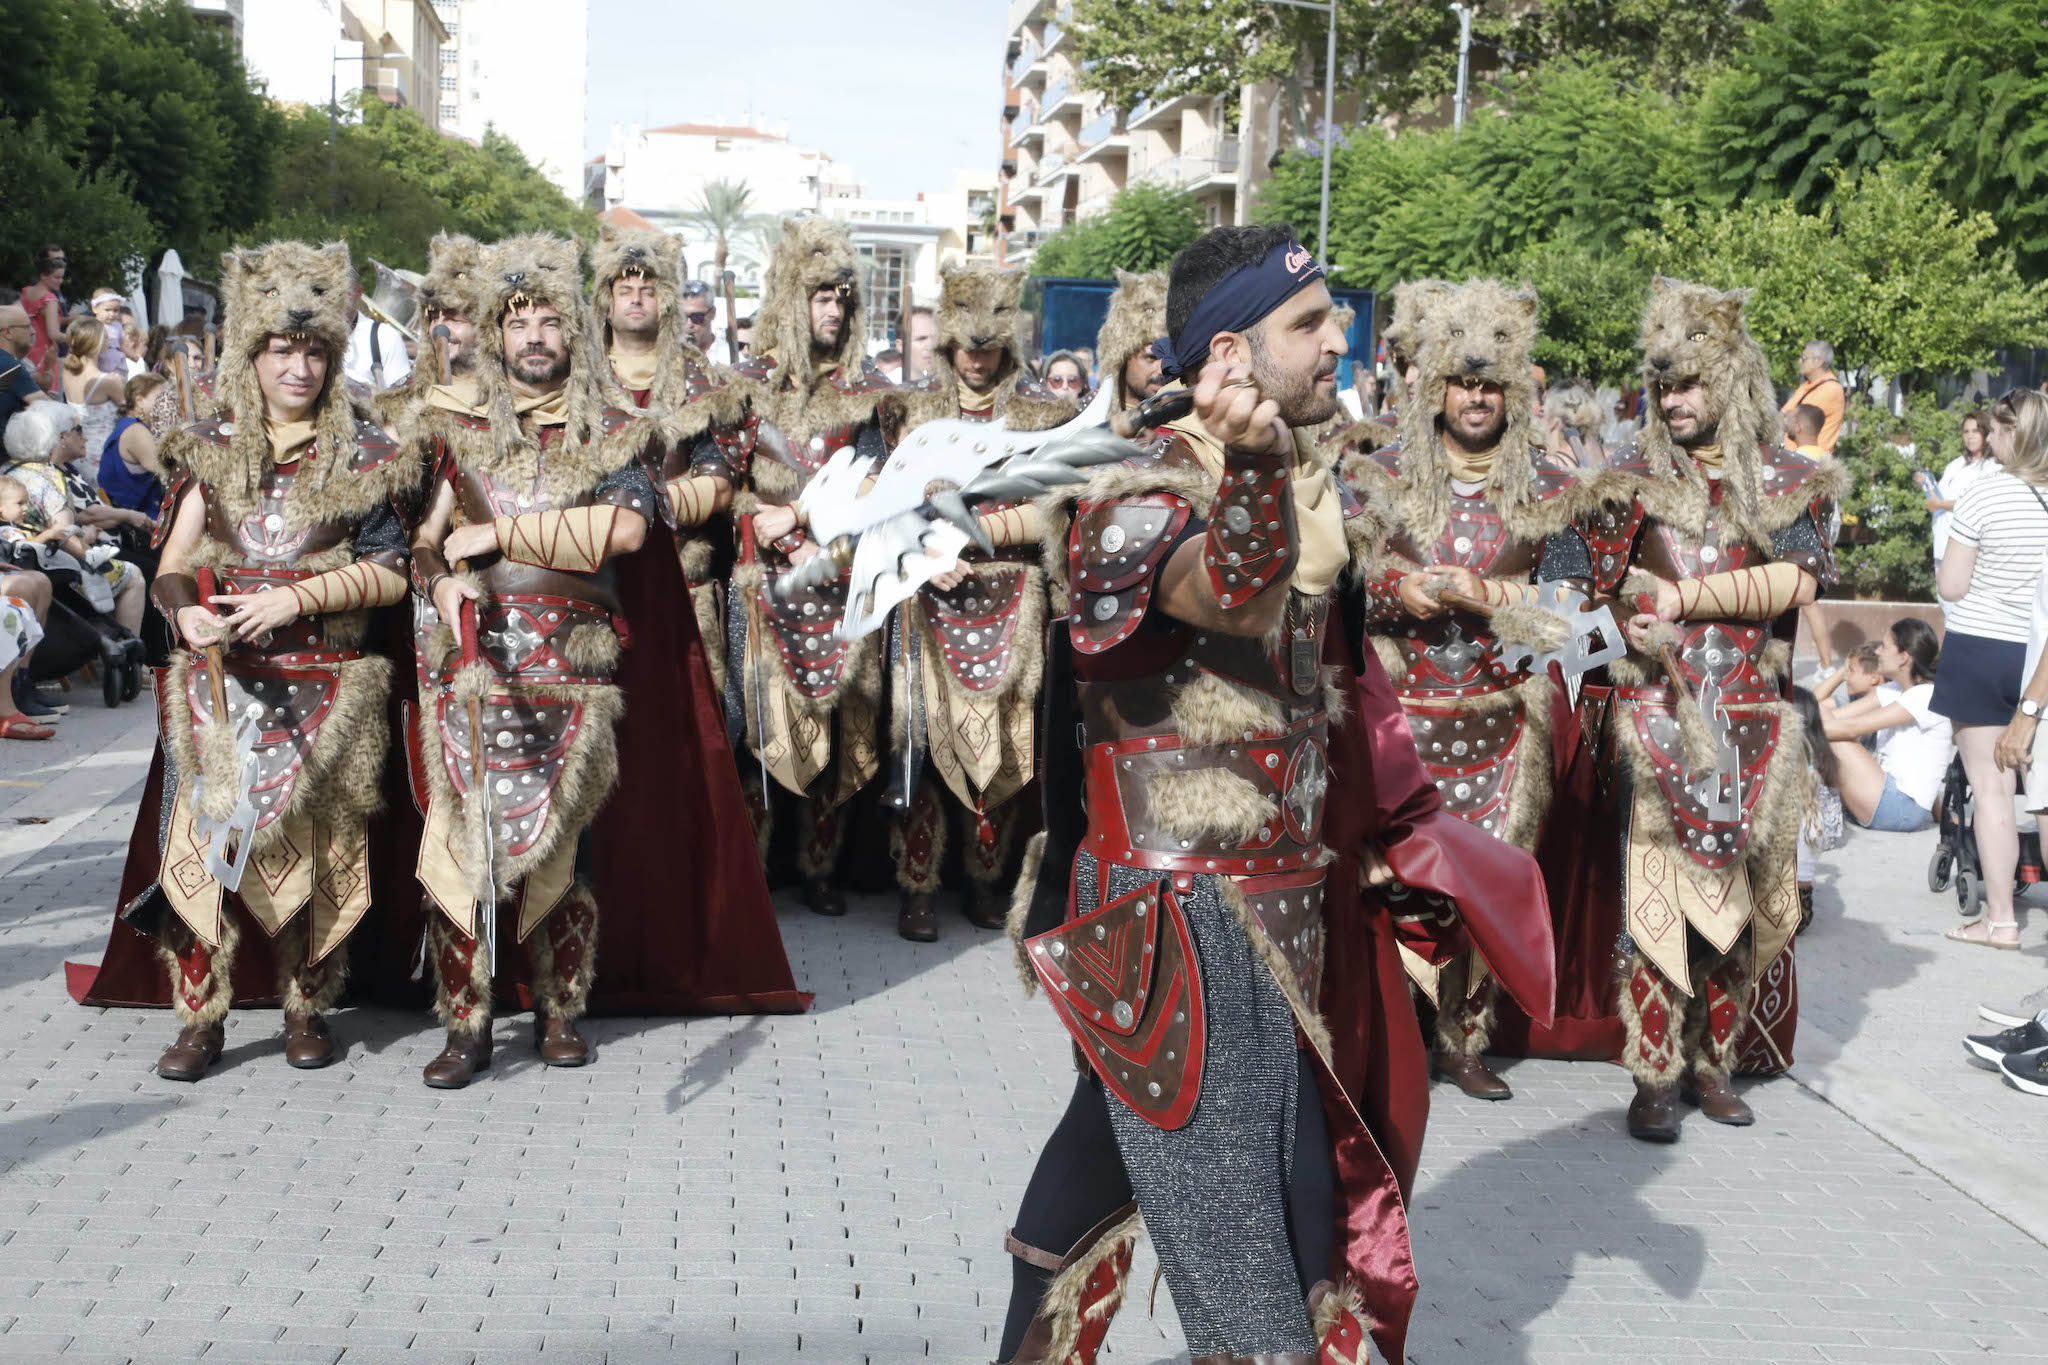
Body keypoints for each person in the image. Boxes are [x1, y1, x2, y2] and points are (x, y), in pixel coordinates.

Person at [993, 223, 1554, 1365]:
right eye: (1310, 323)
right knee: (1256, 1278)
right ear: (1231, 357)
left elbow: (1330, 666)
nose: (1340, 339)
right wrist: (1250, 474)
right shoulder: (1128, 497)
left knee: (1114, 1186)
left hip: (1282, 916)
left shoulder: (1306, 486)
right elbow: (1226, 600)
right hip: (1180, 926)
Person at [406, 233, 806, 1089]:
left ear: (572, 335)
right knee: (458, 843)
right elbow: (424, 543)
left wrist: (501, 535)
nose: (536, 337)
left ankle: (559, 1011)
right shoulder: (456, 429)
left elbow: (625, 532)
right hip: (472, 656)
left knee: (562, 843)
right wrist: (439, 586)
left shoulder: (618, 431)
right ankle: (466, 1023)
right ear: (495, 333)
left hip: (572, 658)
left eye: (551, 320)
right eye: (520, 324)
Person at [99, 240, 413, 1082]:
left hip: (328, 689)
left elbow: (391, 573)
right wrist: (186, 609)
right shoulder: (210, 447)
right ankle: (200, 1018)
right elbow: (169, 562)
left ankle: (308, 1006)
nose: (299, 366)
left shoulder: (369, 453)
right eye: (282, 349)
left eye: (314, 351)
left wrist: (300, 598)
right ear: (255, 354)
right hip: (221, 686)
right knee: (202, 852)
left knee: (318, 851)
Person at [1582, 278, 1846, 1141]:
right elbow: (1581, 583)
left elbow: (1801, 578)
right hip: (1654, 714)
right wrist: (1624, 614)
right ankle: (1654, 1075)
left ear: (1731, 381)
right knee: (1656, 905)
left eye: (1691, 381)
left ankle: (1714, 1063)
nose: (1675, 399)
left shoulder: (1786, 478)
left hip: (1752, 722)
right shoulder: (1627, 480)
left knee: (1737, 906)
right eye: (1665, 384)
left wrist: (1686, 596)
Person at [1344, 278, 1587, 1102]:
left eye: (1490, 384)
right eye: (1462, 381)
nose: (1476, 398)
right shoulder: (1375, 473)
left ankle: (1464, 1036)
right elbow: (1335, 577)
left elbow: (1578, 610)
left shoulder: (1554, 489)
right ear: (1436, 386)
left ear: (1512, 390)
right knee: (1394, 880)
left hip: (1503, 723)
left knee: (1487, 878)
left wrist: (1489, 596)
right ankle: (1394, 1029)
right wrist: (1395, 590)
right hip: (1398, 723)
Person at [882, 261, 1074, 940]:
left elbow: (1059, 508)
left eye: (987, 347)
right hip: (929, 601)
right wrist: (919, 556)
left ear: (1007, 344)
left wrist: (980, 530)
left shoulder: (1046, 416)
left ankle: (988, 882)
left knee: (1008, 749)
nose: (975, 360)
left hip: (1014, 598)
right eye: (965, 347)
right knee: (929, 746)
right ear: (947, 344)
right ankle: (918, 886)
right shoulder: (909, 413)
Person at [724, 217, 898, 917]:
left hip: (841, 576)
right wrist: (760, 522)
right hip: (761, 580)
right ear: (793, 302)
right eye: (821, 297)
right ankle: (757, 872)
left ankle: (821, 868)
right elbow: (722, 480)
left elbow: (882, 485)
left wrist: (803, 523)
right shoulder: (746, 387)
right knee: (761, 726)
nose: (833, 311)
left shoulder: (868, 392)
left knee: (842, 722)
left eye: (842, 300)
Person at [588, 222, 748, 693]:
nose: (636, 298)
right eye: (625, 289)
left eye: (648, 289)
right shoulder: (578, 380)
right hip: (594, 579)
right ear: (608, 300)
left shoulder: (702, 380)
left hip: (681, 578)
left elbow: (719, 486)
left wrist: (636, 515)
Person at [1934, 389, 2048, 950]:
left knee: (1991, 788)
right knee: (2043, 793)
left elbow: (1951, 585)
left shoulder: (1984, 494)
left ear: (2007, 433)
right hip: (2038, 657)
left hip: (1981, 646)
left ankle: (2000, 920)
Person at [1818, 618, 1949, 833]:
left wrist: (1795, 728)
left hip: (1899, 808)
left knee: (1836, 737)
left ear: (1903, 658)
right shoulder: (1894, 689)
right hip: (1884, 795)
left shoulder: (1925, 696)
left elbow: (1850, 729)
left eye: (1885, 647)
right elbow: (1835, 716)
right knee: (1821, 713)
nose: (1878, 651)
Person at [1788, 686, 1843, 933]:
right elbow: (1832, 835)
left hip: (1778, 907)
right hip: (1803, 909)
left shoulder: (1784, 774)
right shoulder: (1823, 768)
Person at [1928, 411, 1998, 581]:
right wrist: (1927, 483)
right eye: (1966, 431)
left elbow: (1975, 503)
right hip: (1942, 543)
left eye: (1975, 431)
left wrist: (1940, 504)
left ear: (1985, 433)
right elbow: (1938, 497)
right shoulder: (1955, 465)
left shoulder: (1992, 466)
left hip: (1967, 549)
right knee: (1944, 600)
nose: (1970, 436)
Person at [1093, 269, 1166, 415]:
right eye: (1152, 357)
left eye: (1170, 357)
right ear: (1122, 359)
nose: (1163, 369)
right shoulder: (1089, 415)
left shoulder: (1184, 426)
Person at [97, 372, 168, 519]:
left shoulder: (133, 425)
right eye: (161, 398)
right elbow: (166, 469)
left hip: (141, 512)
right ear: (140, 401)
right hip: (134, 520)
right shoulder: (135, 431)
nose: (167, 404)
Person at [60, 317, 126, 458]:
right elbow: (131, 410)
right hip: (103, 450)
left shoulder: (67, 371)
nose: (109, 342)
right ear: (98, 343)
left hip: (75, 449)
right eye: (106, 338)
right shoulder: (107, 381)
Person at [343, 279, 413, 390]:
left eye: (343, 292)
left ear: (358, 292)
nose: (334, 299)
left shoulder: (386, 337)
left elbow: (399, 401)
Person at [0, 302, 51, 446]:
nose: (33, 331)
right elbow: (46, 406)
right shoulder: (8, 364)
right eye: (26, 326)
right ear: (8, 332)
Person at [1781, 339, 1845, 452]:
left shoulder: (1830, 389)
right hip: (1796, 459)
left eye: (1804, 358)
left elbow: (1796, 420)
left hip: (1811, 463)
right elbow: (1783, 416)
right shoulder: (1807, 386)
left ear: (1819, 361)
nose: (1799, 361)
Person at [20, 248, 65, 392]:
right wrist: (79, 337)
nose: (60, 281)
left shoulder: (26, 291)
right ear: (43, 276)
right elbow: (54, 334)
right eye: (57, 277)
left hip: (25, 350)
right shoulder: (49, 299)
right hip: (44, 356)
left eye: (62, 277)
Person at [906, 304, 935, 382]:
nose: (931, 346)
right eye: (921, 339)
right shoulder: (888, 385)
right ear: (900, 345)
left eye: (935, 338)